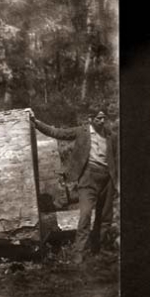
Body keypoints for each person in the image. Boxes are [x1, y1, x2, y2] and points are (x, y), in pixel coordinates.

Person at [28, 108, 118, 264]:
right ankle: (78, 253)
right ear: (91, 119)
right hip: (88, 178)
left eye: (104, 118)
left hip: (107, 180)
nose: (102, 121)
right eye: (98, 118)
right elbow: (57, 133)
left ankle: (98, 249)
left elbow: (115, 159)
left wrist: (116, 182)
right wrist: (36, 123)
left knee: (105, 218)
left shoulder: (110, 135)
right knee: (85, 214)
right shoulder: (81, 132)